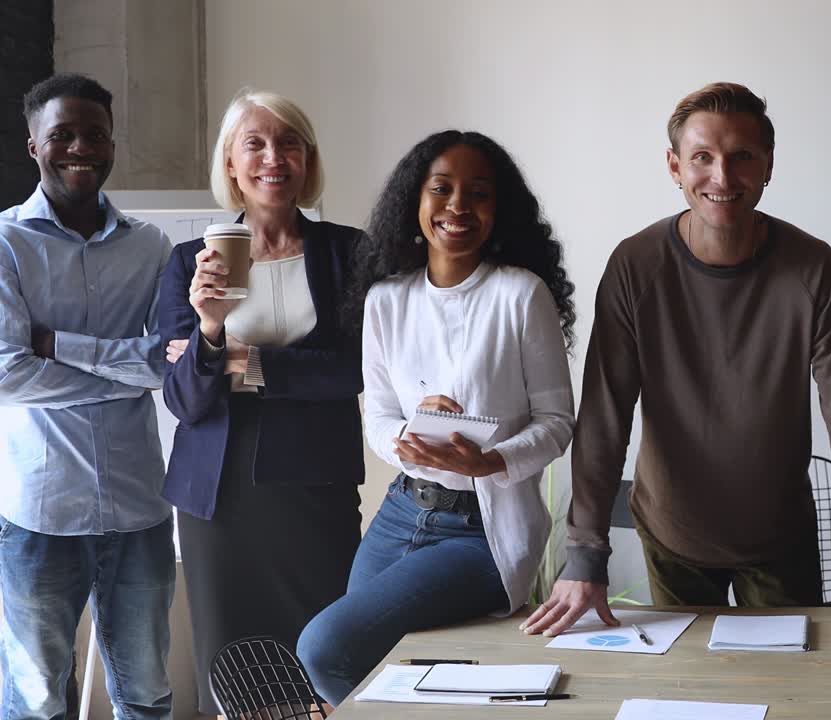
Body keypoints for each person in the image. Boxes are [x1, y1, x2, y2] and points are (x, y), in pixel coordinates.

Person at [523, 82, 831, 642]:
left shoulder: (811, 267)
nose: (722, 177)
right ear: (674, 166)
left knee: (790, 691)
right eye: (702, 158)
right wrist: (584, 554)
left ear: (768, 164)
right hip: (673, 536)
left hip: (780, 536)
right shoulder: (635, 266)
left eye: (742, 156)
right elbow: (604, 416)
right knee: (693, 694)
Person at [296, 130, 576, 704]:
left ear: (499, 211)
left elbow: (557, 422)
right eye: (441, 189)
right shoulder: (386, 299)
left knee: (325, 647)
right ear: (414, 202)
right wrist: (409, 434)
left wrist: (489, 459)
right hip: (402, 510)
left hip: (482, 531)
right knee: (362, 671)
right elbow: (377, 415)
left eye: (478, 193)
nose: (457, 207)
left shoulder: (520, 295)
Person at [157, 89, 365, 715]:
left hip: (314, 488)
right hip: (215, 499)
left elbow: (359, 370)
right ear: (230, 163)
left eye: (289, 142)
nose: (273, 156)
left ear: (308, 159)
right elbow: (184, 399)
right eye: (255, 142)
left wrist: (252, 364)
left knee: (323, 660)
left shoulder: (348, 252)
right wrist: (212, 330)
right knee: (236, 674)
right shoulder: (188, 263)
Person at [0, 73, 175, 720]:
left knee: (149, 695)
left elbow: (169, 363)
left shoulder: (151, 247)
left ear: (111, 143)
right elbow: (7, 373)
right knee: (36, 699)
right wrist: (122, 372)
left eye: (94, 135)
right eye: (62, 135)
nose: (81, 147)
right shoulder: (5, 244)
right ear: (32, 145)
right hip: (40, 514)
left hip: (140, 510)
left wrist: (60, 346)